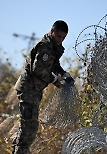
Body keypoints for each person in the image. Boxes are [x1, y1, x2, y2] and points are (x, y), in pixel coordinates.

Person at [12, 20, 74, 154]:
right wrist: (54, 79)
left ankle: (18, 151)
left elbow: (53, 65)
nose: (60, 40)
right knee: (29, 127)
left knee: (27, 127)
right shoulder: (45, 46)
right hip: (28, 88)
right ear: (52, 32)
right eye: (58, 36)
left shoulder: (53, 47)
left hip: (34, 90)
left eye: (63, 38)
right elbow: (38, 68)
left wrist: (63, 74)